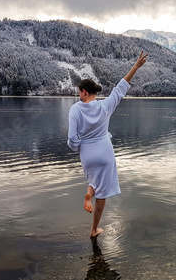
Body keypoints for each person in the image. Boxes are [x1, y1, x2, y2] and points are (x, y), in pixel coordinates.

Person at [67, 51, 148, 238]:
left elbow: (72, 139)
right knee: (102, 193)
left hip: (87, 153)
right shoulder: (105, 106)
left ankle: (89, 194)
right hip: (105, 151)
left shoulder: (75, 109)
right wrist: (135, 66)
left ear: (84, 92)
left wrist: (80, 147)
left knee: (93, 180)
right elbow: (121, 88)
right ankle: (94, 229)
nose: (79, 96)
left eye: (79, 92)